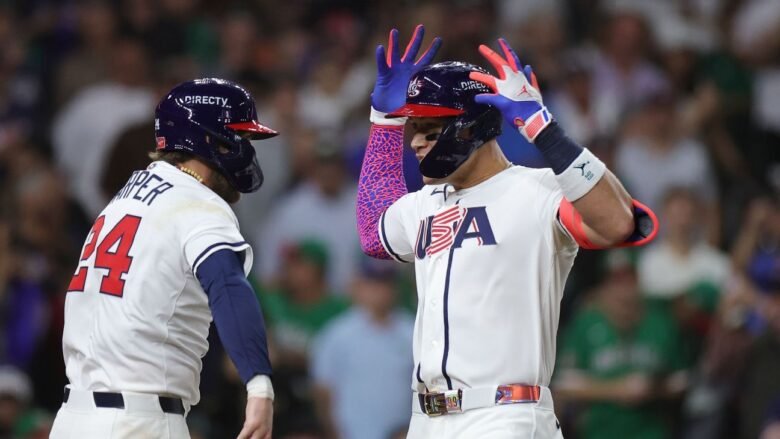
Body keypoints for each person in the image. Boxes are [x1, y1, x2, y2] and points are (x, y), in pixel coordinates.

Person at [356, 25, 658, 438]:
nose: (416, 143)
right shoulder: (424, 203)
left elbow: (617, 223)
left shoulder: (537, 190)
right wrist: (384, 124)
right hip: (426, 420)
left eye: (429, 129)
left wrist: (543, 129)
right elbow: (373, 233)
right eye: (414, 129)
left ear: (470, 128)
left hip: (505, 413)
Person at [50, 79, 276, 439]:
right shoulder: (198, 203)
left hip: (72, 419)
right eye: (239, 137)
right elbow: (227, 284)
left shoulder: (123, 200)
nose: (246, 150)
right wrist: (259, 384)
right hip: (139, 421)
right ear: (209, 139)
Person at [554, 250, 688, 439]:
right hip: (599, 431)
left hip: (651, 431)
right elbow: (564, 383)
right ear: (603, 288)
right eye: (616, 282)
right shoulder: (587, 323)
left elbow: (682, 380)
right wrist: (616, 389)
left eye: (629, 281)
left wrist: (654, 389)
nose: (624, 291)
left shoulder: (660, 322)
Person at [311, 257, 414, 439]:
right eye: (372, 283)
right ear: (358, 286)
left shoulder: (413, 331)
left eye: (386, 283)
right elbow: (323, 392)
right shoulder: (336, 334)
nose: (380, 291)